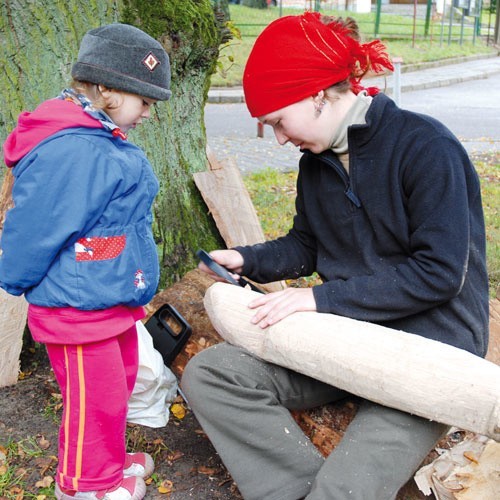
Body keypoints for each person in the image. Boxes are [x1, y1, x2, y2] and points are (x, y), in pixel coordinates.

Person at [181, 12, 489, 500]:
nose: (280, 138)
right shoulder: (316, 164)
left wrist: (319, 301)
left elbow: (440, 274)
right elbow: (309, 244)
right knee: (213, 375)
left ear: (318, 93)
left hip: (427, 353)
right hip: (349, 336)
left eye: (278, 121)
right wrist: (246, 260)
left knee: (345, 490)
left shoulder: (426, 148)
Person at [0, 23, 171, 500]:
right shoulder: (73, 148)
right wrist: (14, 276)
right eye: (145, 101)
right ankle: (84, 484)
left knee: (118, 386)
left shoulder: (99, 137)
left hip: (106, 295)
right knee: (93, 397)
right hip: (75, 305)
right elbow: (37, 225)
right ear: (110, 89)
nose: (148, 113)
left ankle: (108, 463)